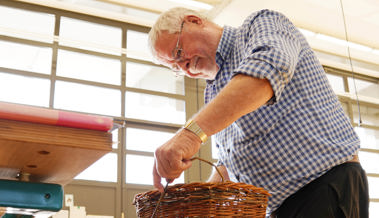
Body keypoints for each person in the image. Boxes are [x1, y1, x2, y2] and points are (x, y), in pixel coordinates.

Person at [148, 7, 369, 218]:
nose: (184, 67)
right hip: (276, 207)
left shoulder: (260, 25)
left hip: (324, 186)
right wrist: (202, 201)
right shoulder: (213, 92)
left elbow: (265, 74)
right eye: (175, 68)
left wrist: (190, 134)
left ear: (194, 21)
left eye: (178, 53)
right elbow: (228, 162)